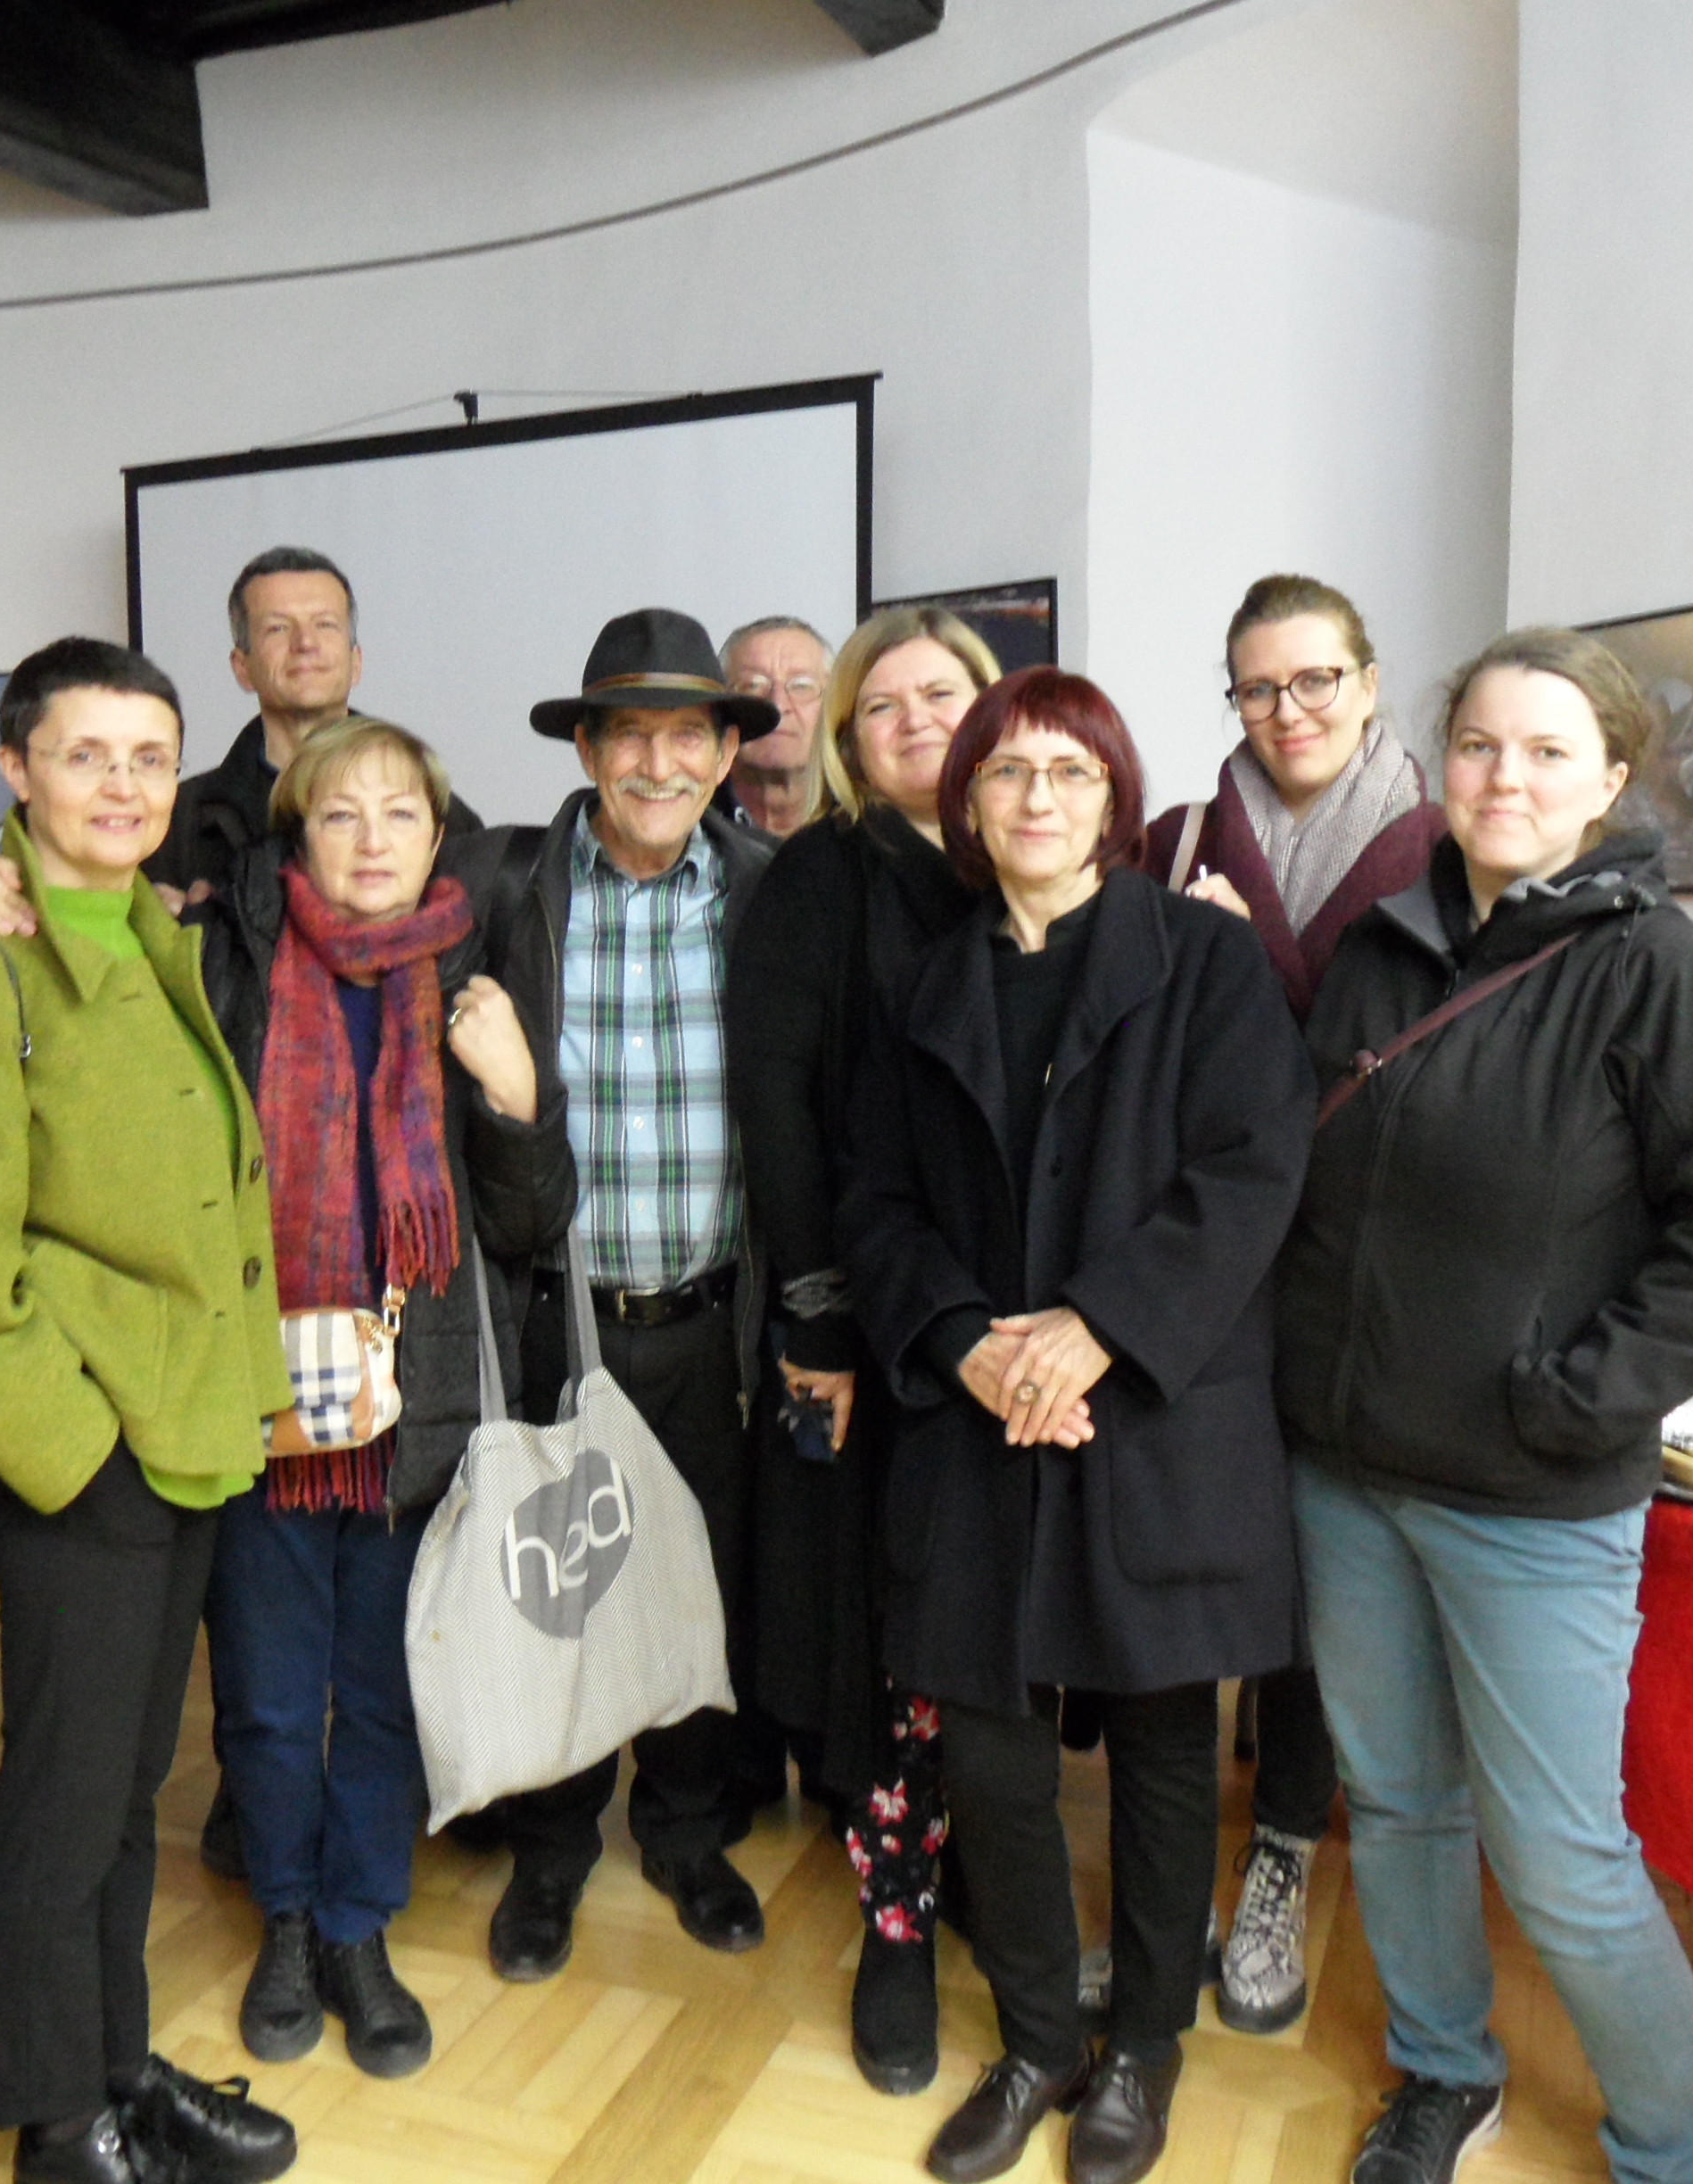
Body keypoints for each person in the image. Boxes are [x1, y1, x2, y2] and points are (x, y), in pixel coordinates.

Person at [1277, 628, 1693, 2184]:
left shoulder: (1674, 979)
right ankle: (1442, 2067)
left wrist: (1575, 1401)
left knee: (1563, 1857)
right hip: (1347, 1473)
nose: (1505, 777)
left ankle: (1675, 2150)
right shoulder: (1378, 950)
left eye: (1547, 750)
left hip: (1530, 1495)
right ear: (1440, 763)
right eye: (1480, 744)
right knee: (1396, 1804)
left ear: (1611, 779)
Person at [841, 667, 1316, 2184]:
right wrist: (965, 1343)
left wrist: (1098, 1327)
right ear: (966, 805)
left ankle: (1144, 2048)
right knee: (990, 1752)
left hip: (1154, 1418)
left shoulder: (1204, 961)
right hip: (975, 1416)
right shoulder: (922, 986)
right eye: (1004, 772)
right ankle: (1040, 2035)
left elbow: (1252, 1171)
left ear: (1114, 798)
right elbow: (876, 1205)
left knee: (1165, 1744)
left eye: (1068, 771)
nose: (1035, 797)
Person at [0, 638, 301, 2184]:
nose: (123, 784)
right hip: (90, 1452)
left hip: (187, 1437)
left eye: (149, 756)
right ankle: (56, 2124)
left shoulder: (155, 935)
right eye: (86, 753)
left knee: (122, 1798)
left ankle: (113, 2067)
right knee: (60, 1803)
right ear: (14, 769)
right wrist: (69, 1444)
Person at [189, 716, 575, 2079]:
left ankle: (360, 1927)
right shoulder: (225, 963)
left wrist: (517, 1098)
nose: (371, 841)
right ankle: (287, 1923)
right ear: (296, 834)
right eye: (340, 815)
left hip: (418, 1410)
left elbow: (528, 1223)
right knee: (268, 1700)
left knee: (388, 1691)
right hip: (257, 1407)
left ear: (437, 837)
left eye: (399, 815)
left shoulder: (472, 976)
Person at [1140, 573, 1445, 2037]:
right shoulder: (1174, 840)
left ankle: (1279, 1851)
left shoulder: (1446, 853)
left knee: (1325, 1586)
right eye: (1257, 687)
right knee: (1194, 1551)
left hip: (1369, 1272)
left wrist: (1238, 956)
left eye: (1315, 678)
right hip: (1212, 1264)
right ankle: (1165, 1871)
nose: (1287, 710)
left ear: (1369, 682)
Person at [456, 606, 778, 1982]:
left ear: (725, 755)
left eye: (686, 735)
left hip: (711, 1320)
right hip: (558, 1315)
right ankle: (552, 1849)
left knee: (699, 1583)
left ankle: (689, 1831)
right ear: (585, 750)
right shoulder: (505, 887)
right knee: (560, 1593)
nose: (659, 762)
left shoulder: (771, 893)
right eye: (628, 735)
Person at [725, 604, 1000, 2097]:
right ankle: (895, 1914)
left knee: (989, 1615)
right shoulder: (818, 881)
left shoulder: (1025, 857)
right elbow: (777, 1113)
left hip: (1015, 1330)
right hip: (872, 1320)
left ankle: (986, 1868)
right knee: (885, 1629)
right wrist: (819, 1318)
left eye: (939, 694)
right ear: (844, 739)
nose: (913, 722)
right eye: (880, 705)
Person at [0, 546, 478, 931]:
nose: (305, 644)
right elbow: (43, 877)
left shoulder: (437, 812)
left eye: (325, 625)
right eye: (278, 628)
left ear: (356, 660)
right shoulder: (169, 814)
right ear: (241, 666)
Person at [721, 614, 834, 835]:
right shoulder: (685, 818)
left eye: (801, 686)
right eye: (752, 686)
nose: (778, 705)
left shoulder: (870, 825)